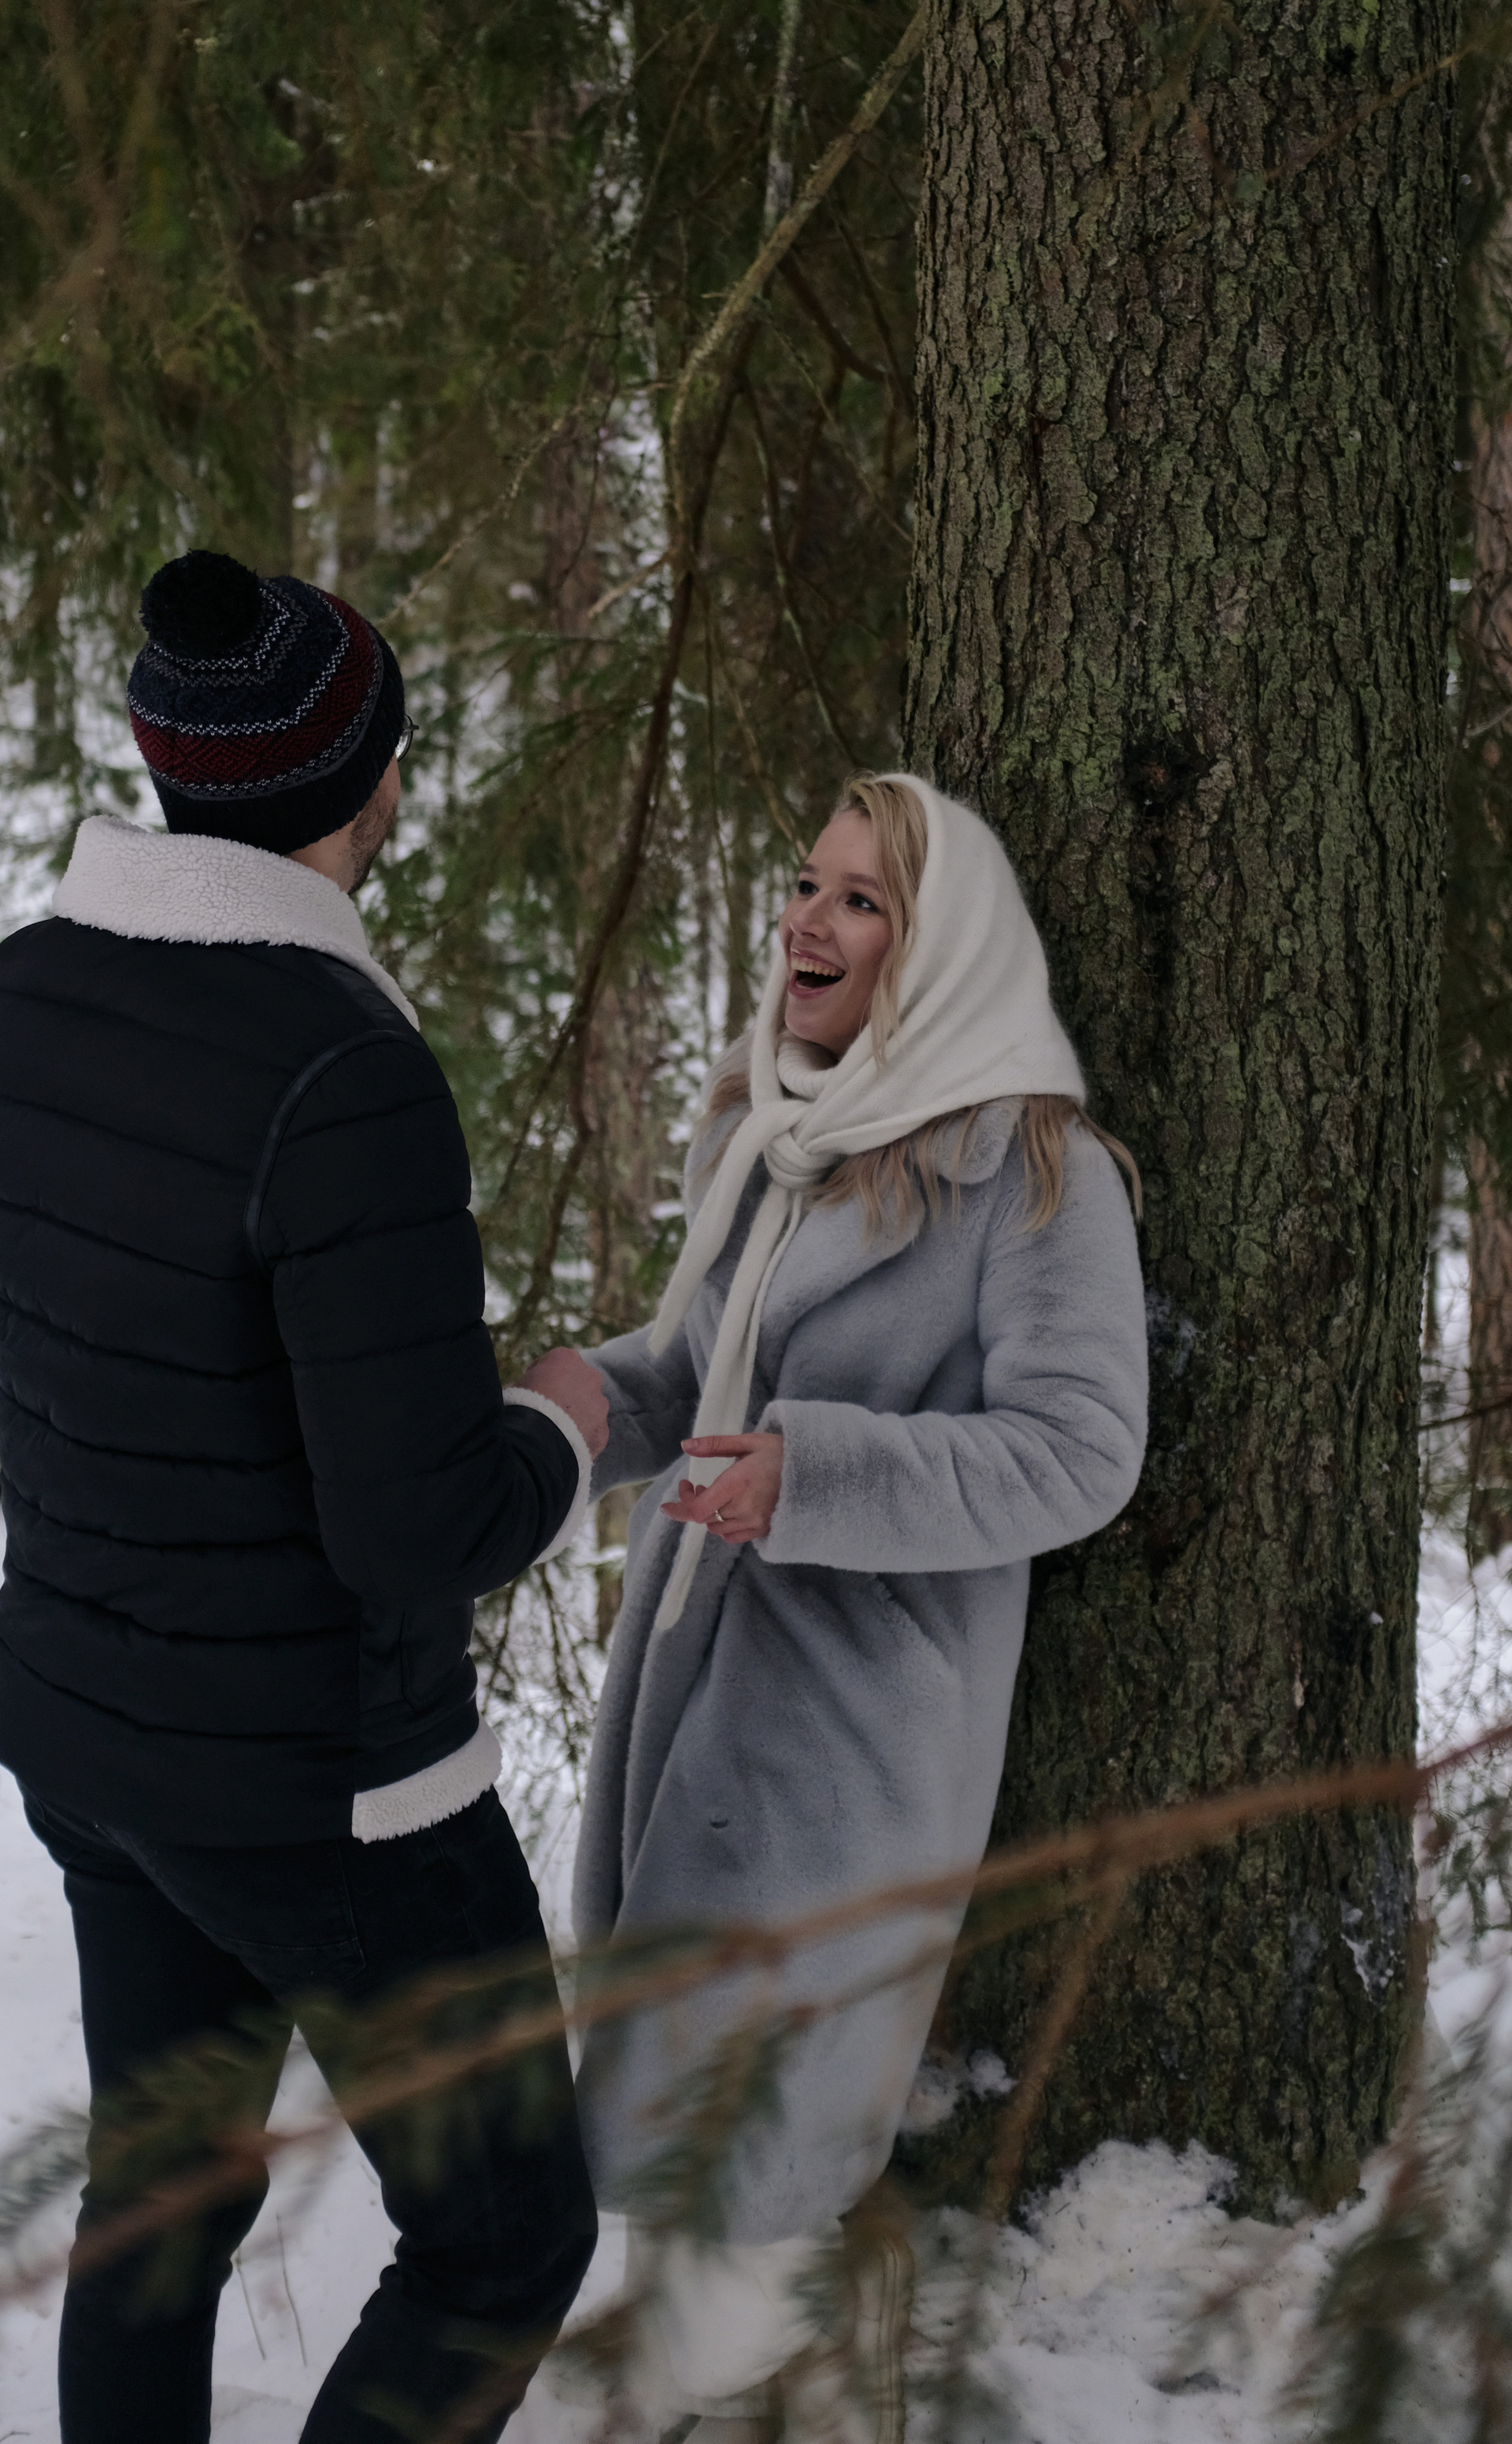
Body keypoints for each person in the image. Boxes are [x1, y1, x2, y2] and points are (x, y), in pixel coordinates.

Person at [0, 547, 606, 2444]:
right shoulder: (342, 1069)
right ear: (361, 780)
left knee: (157, 2200)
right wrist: (561, 1420)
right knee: (502, 2242)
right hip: (323, 1783)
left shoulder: (29, 993)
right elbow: (415, 1527)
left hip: (89, 1735)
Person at [547, 771, 1149, 2440]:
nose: (805, 923)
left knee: (750, 2178)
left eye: (860, 901)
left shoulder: (1028, 1170)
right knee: (682, 2179)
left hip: (853, 1740)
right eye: (804, 884)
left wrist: (816, 1479)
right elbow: (695, 1374)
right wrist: (573, 1410)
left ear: (941, 946)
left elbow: (1077, 1452)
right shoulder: (773, 1126)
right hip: (689, 1705)